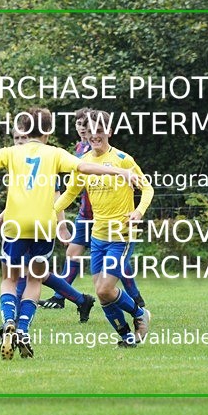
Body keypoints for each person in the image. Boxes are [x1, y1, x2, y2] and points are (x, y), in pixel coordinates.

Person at [0, 107, 138, 359]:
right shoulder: (56, 153)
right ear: (48, 132)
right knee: (35, 280)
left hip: (16, 224)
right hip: (44, 226)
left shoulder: (13, 151)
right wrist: (121, 171)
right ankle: (23, 329)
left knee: (10, 279)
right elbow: (86, 168)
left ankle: (9, 322)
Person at [54, 112, 154, 347]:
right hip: (97, 236)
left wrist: (138, 211)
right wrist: (49, 211)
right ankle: (127, 336)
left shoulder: (123, 159)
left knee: (106, 287)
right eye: (90, 132)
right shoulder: (84, 163)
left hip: (121, 236)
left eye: (100, 131)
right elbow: (70, 193)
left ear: (109, 132)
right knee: (102, 293)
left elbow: (147, 189)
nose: (95, 135)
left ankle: (140, 314)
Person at [0, 127, 96, 323]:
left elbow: (55, 197)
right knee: (35, 273)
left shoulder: (43, 160)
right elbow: (19, 202)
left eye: (23, 137)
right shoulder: (18, 159)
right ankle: (81, 300)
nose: (20, 141)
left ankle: (14, 319)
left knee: (27, 274)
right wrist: (0, 219)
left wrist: (62, 225)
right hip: (24, 224)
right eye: (16, 138)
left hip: (39, 226)